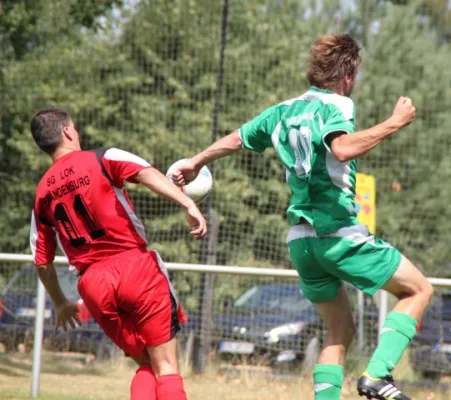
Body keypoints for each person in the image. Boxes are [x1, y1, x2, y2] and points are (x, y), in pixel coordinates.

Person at [172, 34, 433, 400]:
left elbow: (237, 139)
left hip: (301, 242)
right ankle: (377, 375)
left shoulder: (283, 110)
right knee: (419, 289)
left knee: (339, 332)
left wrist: (196, 161)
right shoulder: (337, 104)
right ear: (348, 74)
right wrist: (395, 121)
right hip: (337, 233)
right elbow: (341, 149)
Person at [29, 107, 207, 400]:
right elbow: (147, 174)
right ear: (68, 131)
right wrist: (187, 203)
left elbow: (41, 260)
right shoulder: (103, 157)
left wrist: (60, 302)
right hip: (134, 269)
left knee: (147, 365)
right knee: (166, 368)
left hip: (93, 286)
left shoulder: (41, 194)